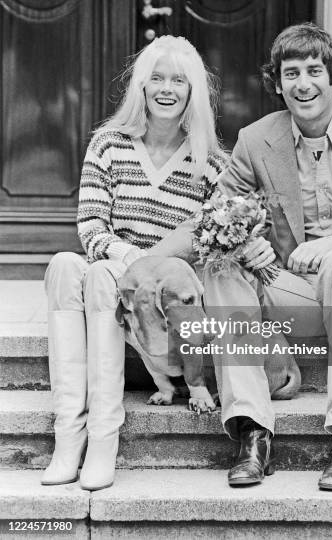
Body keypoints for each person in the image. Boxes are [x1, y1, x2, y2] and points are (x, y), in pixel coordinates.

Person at [155, 22, 332, 490]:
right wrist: (153, 259)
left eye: (314, 70)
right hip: (292, 290)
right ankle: (251, 431)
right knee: (221, 261)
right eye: (290, 73)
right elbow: (213, 216)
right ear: (277, 84)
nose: (303, 83)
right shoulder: (258, 139)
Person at [42, 35, 226, 491]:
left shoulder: (210, 164)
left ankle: (104, 439)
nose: (167, 89)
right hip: (113, 277)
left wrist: (145, 271)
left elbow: (207, 248)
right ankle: (70, 435)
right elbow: (91, 230)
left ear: (193, 92)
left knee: (103, 273)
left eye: (179, 80)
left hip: (158, 310)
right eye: (156, 78)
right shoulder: (108, 145)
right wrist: (136, 262)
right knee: (65, 265)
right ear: (140, 87)